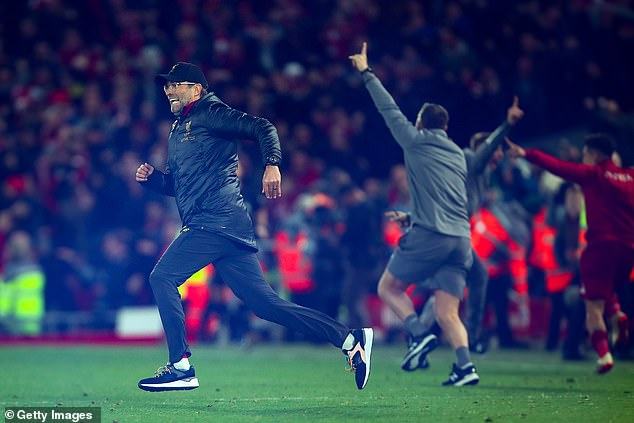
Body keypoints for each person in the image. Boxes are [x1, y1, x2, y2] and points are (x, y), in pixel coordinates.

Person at [135, 62, 373, 392]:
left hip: (214, 221)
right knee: (266, 305)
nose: (169, 90)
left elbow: (263, 127)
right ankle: (349, 339)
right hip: (223, 225)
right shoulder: (181, 127)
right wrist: (154, 181)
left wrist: (272, 164)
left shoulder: (211, 112)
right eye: (167, 85)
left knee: (162, 277)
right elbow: (181, 186)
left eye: (176, 84)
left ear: (196, 89)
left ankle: (181, 367)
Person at [349, 43, 478, 386]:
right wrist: (413, 217)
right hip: (462, 240)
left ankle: (418, 334)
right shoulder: (458, 155)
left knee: (388, 287)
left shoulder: (416, 141)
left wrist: (366, 72)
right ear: (446, 127)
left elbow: (388, 108)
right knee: (447, 311)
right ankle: (465, 367)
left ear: (421, 124)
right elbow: (451, 198)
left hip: (432, 235)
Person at [387, 97, 525, 368]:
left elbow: (443, 203)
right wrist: (507, 125)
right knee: (470, 281)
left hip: (448, 234)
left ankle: (421, 341)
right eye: (495, 151)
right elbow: (482, 157)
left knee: (443, 299)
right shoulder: (468, 160)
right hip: (445, 236)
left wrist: (412, 217)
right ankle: (467, 338)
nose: (498, 155)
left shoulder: (481, 176)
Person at [507, 134, 634, 374]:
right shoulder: (631, 176)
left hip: (600, 248)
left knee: (592, 306)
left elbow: (558, 166)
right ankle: (617, 314)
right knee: (609, 288)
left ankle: (604, 355)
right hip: (628, 251)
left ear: (594, 155)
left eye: (585, 154)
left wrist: (527, 154)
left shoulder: (593, 174)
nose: (584, 158)